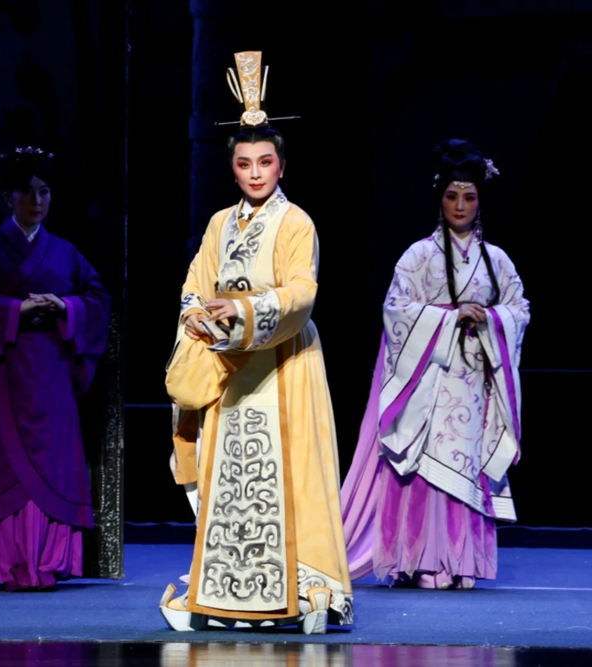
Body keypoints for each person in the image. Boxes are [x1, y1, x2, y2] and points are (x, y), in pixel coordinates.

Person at [159, 51, 353, 635]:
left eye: (265, 162)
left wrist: (241, 309)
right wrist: (198, 315)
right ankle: (227, 592)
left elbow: (301, 293)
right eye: (244, 164)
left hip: (282, 362)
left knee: (293, 475)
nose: (255, 173)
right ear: (233, 168)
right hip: (228, 366)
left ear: (282, 166)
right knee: (229, 480)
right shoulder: (220, 224)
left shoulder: (297, 223)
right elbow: (194, 284)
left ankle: (305, 586)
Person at [340, 139, 529, 589]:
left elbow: (519, 309)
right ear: (439, 198)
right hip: (428, 378)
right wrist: (448, 317)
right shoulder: (419, 255)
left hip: (473, 380)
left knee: (466, 464)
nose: (460, 206)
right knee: (422, 466)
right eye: (451, 196)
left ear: (480, 200)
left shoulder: (496, 261)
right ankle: (419, 559)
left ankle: (462, 562)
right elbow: (395, 309)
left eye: (469, 197)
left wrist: (491, 319)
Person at [0, 147, 110, 590]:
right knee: (3, 463)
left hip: (52, 370)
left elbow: (97, 299)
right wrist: (12, 310)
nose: (37, 201)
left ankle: (49, 559)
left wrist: (66, 306)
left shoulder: (65, 252)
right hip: (5, 368)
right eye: (27, 192)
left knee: (51, 463)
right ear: (8, 198)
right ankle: (3, 561)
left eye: (44, 191)